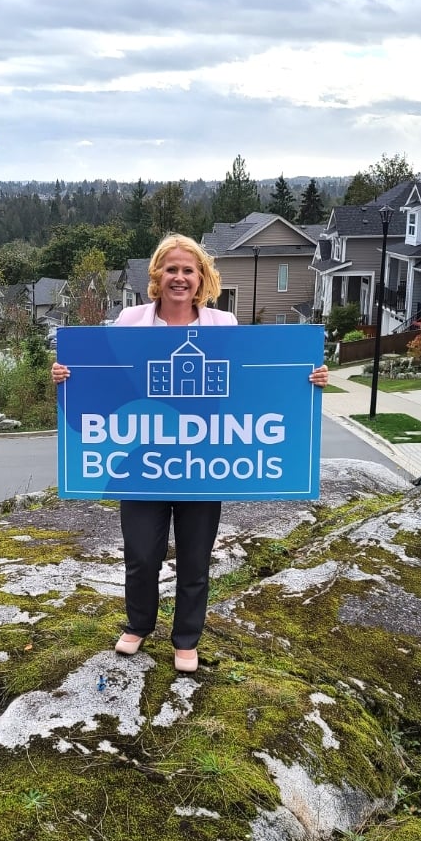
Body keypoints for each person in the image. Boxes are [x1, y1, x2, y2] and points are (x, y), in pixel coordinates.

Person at [52, 234, 329, 673]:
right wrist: (69, 374)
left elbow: (250, 382)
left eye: (188, 270)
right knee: (141, 555)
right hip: (144, 461)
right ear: (157, 276)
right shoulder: (131, 320)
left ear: (201, 277)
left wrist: (305, 377)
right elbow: (106, 378)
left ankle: (186, 639)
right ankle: (138, 625)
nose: (179, 277)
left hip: (203, 462)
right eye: (171, 269)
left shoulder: (223, 324)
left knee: (195, 558)